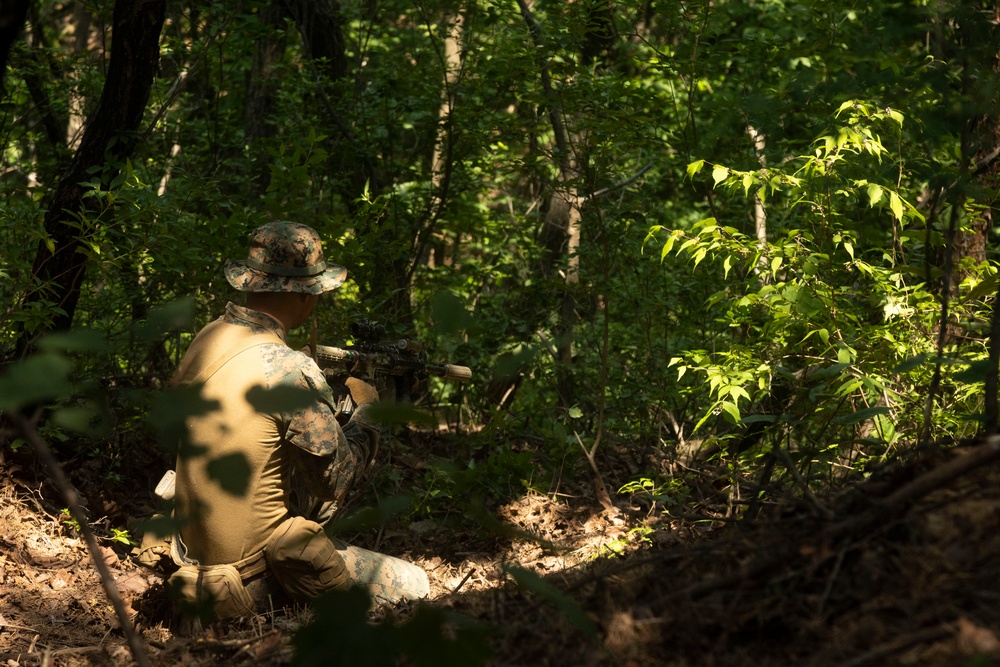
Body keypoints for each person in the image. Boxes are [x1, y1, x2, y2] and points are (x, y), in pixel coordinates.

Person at [163, 221, 428, 624]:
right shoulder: (289, 369)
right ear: (308, 295)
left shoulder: (207, 338)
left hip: (194, 561)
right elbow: (335, 481)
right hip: (253, 579)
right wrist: (367, 414)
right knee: (417, 584)